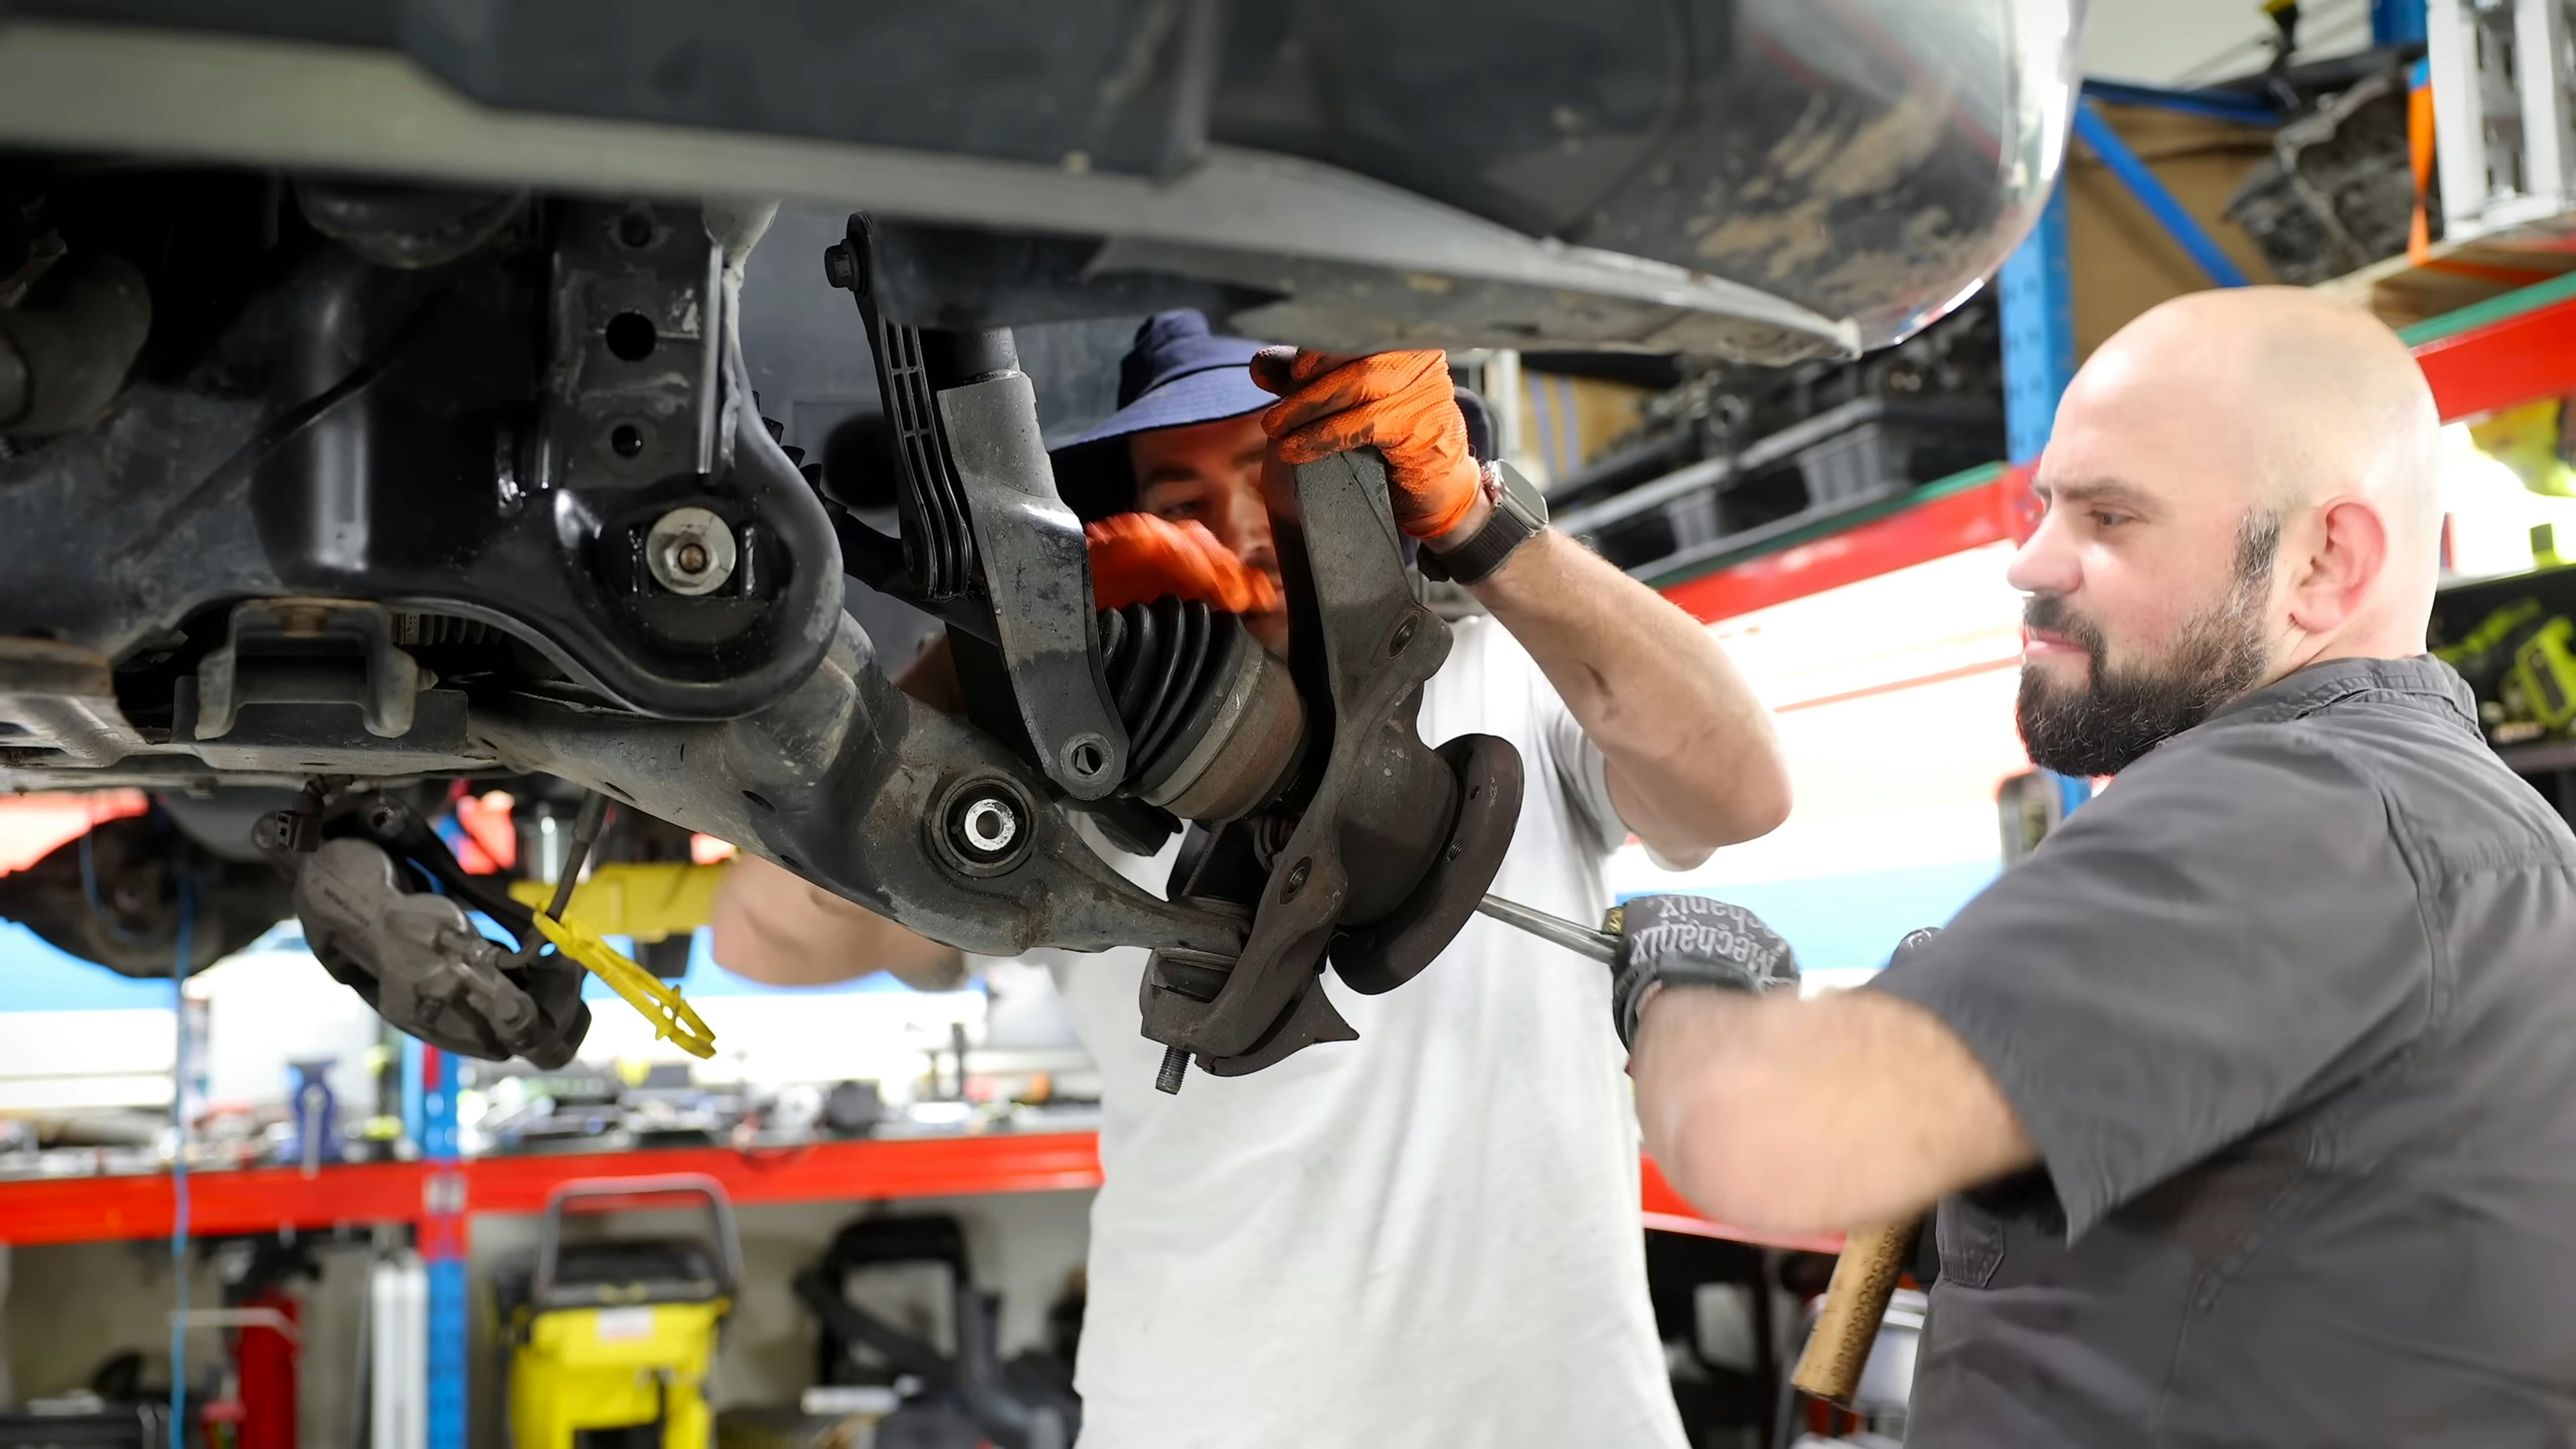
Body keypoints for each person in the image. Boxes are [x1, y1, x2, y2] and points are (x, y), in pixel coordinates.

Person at [712, 311, 1791, 1446]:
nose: (1234, 525)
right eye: (1179, 496)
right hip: (1207, 1413)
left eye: (1273, 470)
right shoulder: (1068, 761)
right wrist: (991, 665)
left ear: (1376, 469)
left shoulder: (1509, 670)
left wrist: (1483, 524)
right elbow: (765, 937)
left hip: (1552, 1416)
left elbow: (1740, 791)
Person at [1615, 286, 2576, 1444]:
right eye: (2043, 508)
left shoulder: (2296, 806)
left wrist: (1684, 984)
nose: (2030, 561)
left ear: (2325, 560)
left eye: (2109, 519)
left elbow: (1765, 1133)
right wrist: (1993, 1158)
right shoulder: (2472, 837)